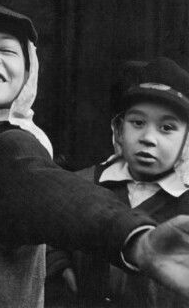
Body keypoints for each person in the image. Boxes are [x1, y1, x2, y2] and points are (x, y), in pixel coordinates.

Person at [0, 2, 189, 307]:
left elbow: (56, 192)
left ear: (26, 77)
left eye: (7, 50)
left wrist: (136, 239)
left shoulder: (9, 149)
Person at [46, 57, 189, 308]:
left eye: (166, 127)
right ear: (119, 129)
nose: (148, 138)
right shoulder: (82, 183)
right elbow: (47, 229)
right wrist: (58, 264)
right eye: (138, 123)